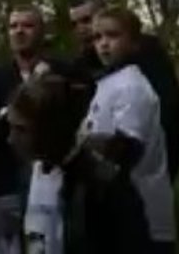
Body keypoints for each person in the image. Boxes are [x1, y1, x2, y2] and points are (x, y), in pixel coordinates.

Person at [8, 72, 152, 254]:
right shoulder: (29, 177)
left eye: (21, 130)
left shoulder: (103, 185)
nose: (11, 139)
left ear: (50, 131)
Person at [0, 5, 66, 254]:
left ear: (42, 31)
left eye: (27, 25)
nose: (19, 32)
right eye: (13, 26)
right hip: (7, 180)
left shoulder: (63, 72)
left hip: (55, 175)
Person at [85, 5, 175, 252]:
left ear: (135, 43)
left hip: (141, 218)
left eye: (112, 36)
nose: (103, 44)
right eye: (97, 37)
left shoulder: (132, 87)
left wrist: (79, 145)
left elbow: (126, 149)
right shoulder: (105, 83)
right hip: (116, 216)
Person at [68, 0, 179, 181]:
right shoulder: (81, 65)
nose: (82, 29)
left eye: (86, 20)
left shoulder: (146, 51)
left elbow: (168, 105)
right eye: (75, 24)